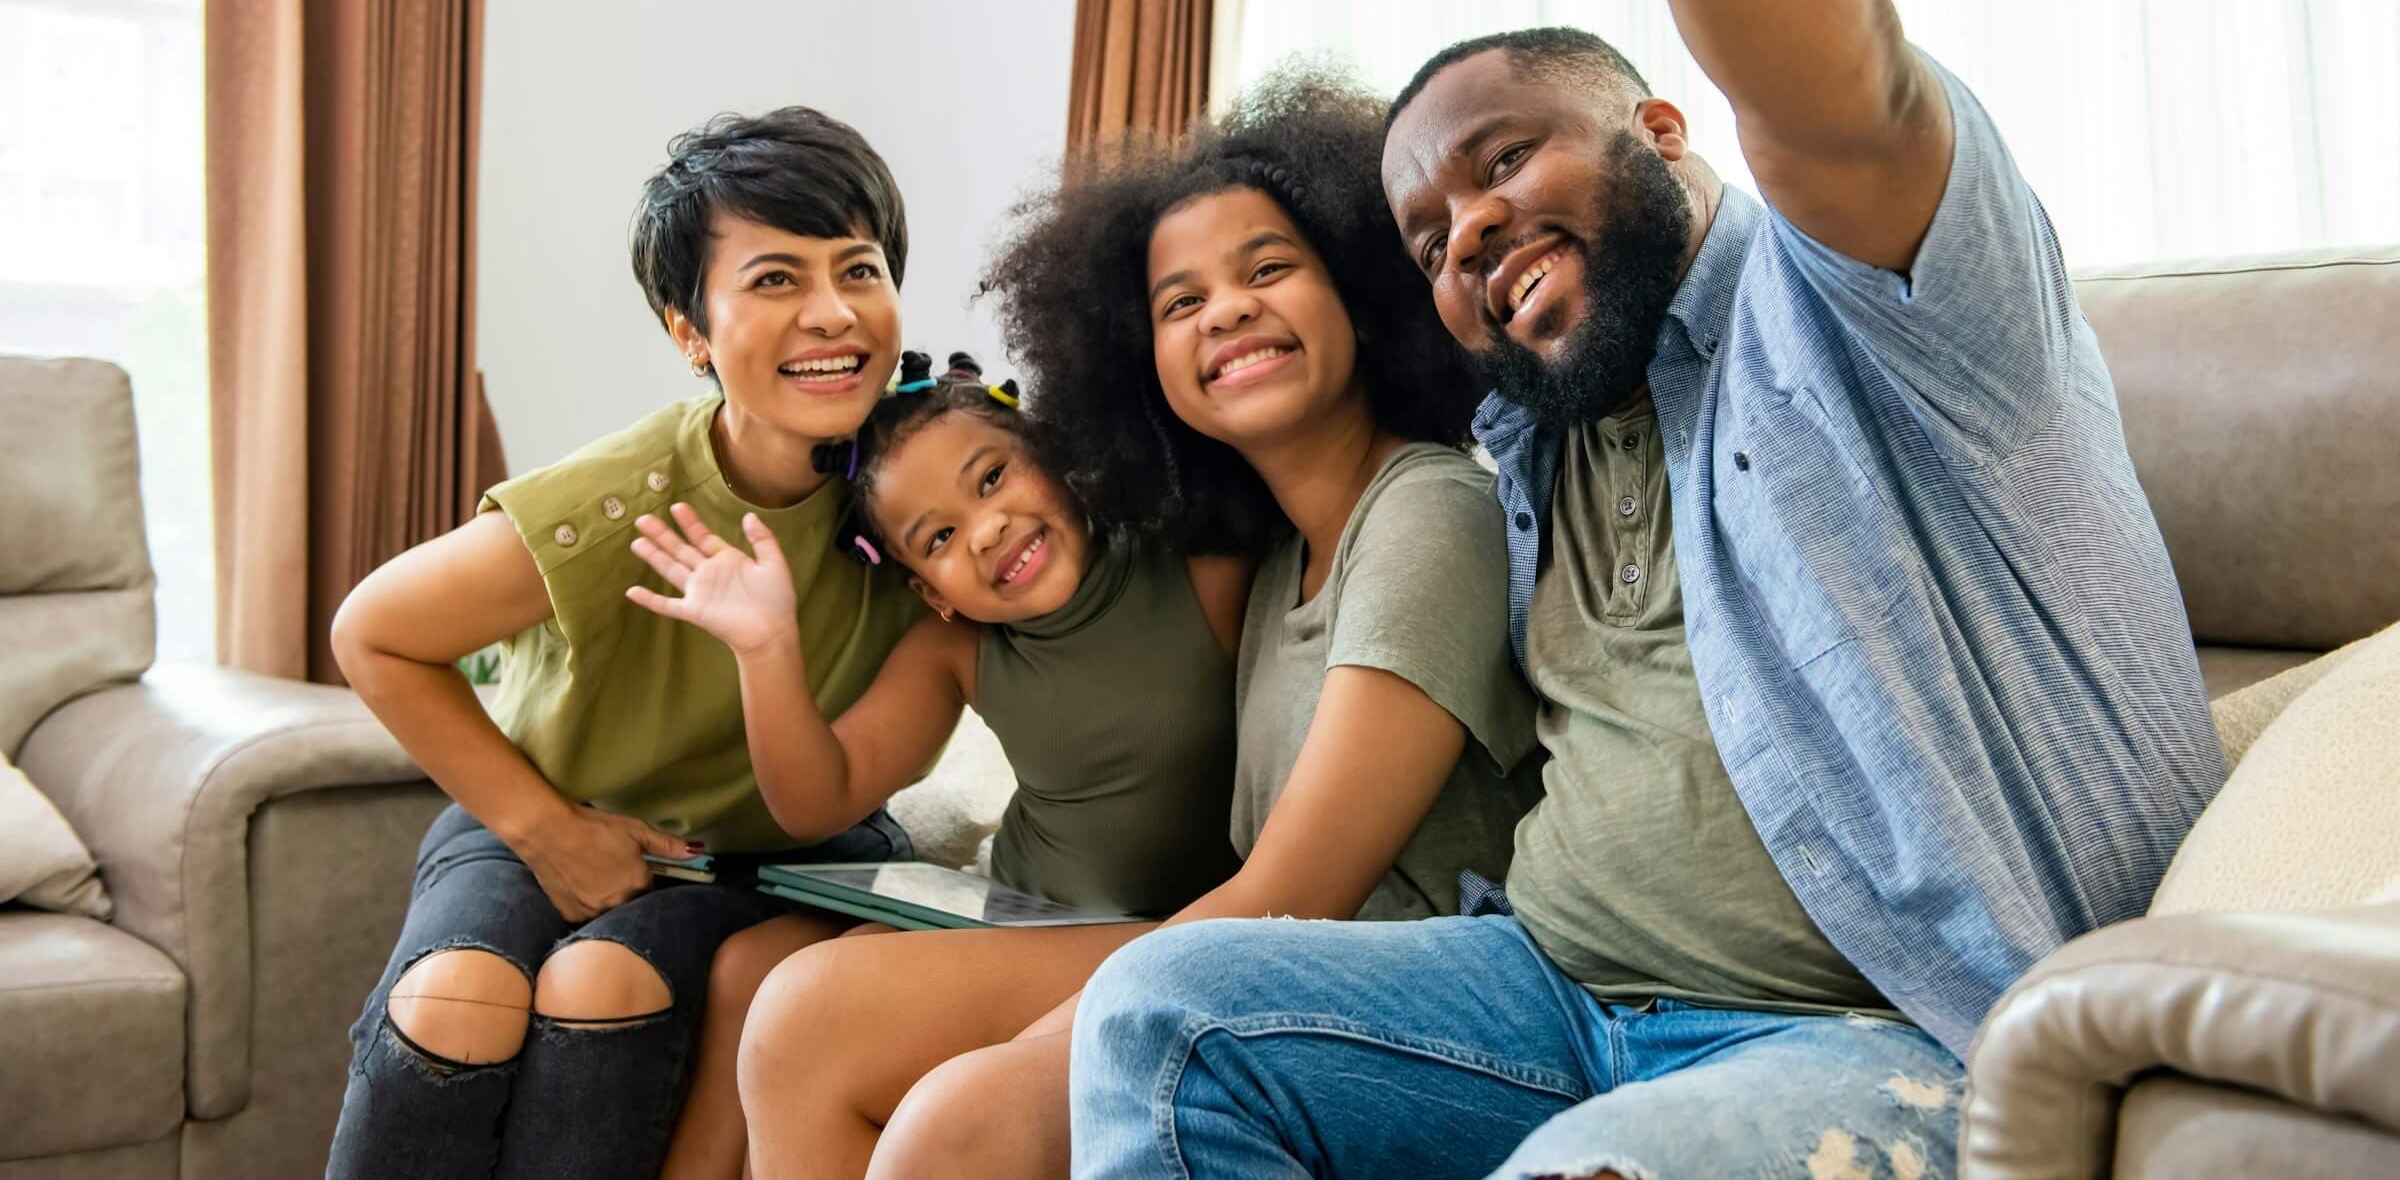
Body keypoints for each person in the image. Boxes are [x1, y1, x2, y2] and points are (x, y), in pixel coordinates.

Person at [1067, 0, 2225, 1180]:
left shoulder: (1885, 309)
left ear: (1668, 131)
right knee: (1160, 1012)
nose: (1466, 230)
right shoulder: (1529, 437)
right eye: (1429, 239)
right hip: (1546, 992)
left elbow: (1847, 89)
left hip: (1882, 1033)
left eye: (1503, 163)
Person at [734, 72, 1544, 1180]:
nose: (1226, 310)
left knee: (956, 1120)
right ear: (1142, 367)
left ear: (1356, 292)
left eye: (1268, 269)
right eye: (1179, 303)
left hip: (1385, 982)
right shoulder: (1265, 560)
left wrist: (1036, 1050)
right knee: (801, 1015)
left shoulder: (1426, 514)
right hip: (1263, 956)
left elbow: (1295, 896)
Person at [324, 107, 932, 1180]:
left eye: (860, 269)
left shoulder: (927, 479)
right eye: (776, 280)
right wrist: (549, 828)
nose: (833, 314)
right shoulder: (615, 504)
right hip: (543, 808)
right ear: (689, 332)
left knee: (604, 983)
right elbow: (372, 633)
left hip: (779, 855)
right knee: (449, 1004)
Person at [638, 348, 1251, 1180]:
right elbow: (818, 799)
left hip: (1142, 932)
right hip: (1011, 910)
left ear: (1051, 453)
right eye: (941, 537)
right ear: (933, 590)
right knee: (750, 967)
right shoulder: (958, 645)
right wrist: (766, 650)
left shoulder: (1197, 569)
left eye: (992, 479)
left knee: (810, 1018)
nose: (987, 528)